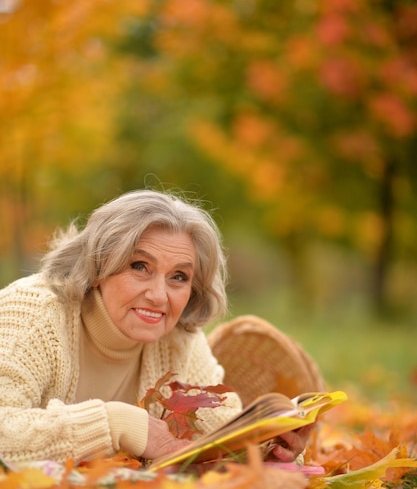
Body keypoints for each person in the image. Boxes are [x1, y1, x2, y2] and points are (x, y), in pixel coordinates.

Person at [0, 189, 311, 466]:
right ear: (97, 267)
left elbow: (224, 433)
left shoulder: (179, 341)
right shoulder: (32, 312)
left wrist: (272, 449)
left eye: (178, 276)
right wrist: (115, 423)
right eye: (140, 267)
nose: (159, 296)